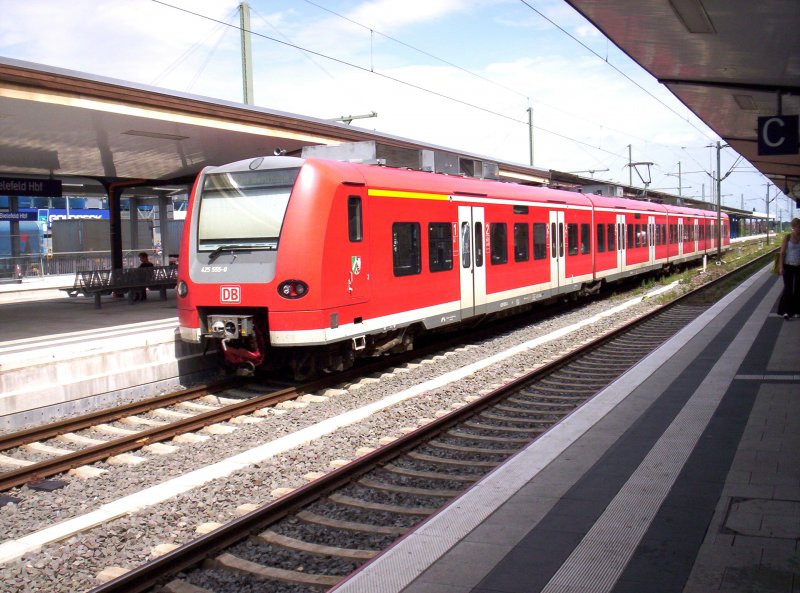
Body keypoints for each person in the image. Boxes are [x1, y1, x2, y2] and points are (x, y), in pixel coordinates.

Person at [777, 217, 800, 320]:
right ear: (793, 227)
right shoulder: (787, 237)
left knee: (798, 289)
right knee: (788, 288)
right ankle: (786, 311)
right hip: (788, 265)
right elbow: (782, 253)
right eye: (798, 227)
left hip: (799, 266)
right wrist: (781, 267)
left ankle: (796, 310)